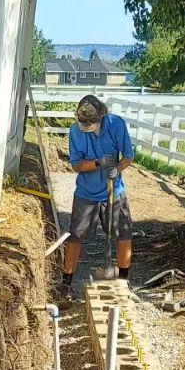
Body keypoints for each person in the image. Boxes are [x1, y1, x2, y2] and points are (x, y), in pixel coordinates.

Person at [60, 94, 134, 297]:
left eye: (91, 123)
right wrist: (98, 163)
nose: (87, 127)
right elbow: (76, 165)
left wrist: (117, 169)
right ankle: (66, 284)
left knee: (123, 234)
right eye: (84, 124)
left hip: (114, 191)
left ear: (101, 117)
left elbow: (128, 156)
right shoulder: (76, 131)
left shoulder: (116, 125)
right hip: (86, 192)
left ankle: (122, 282)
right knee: (76, 236)